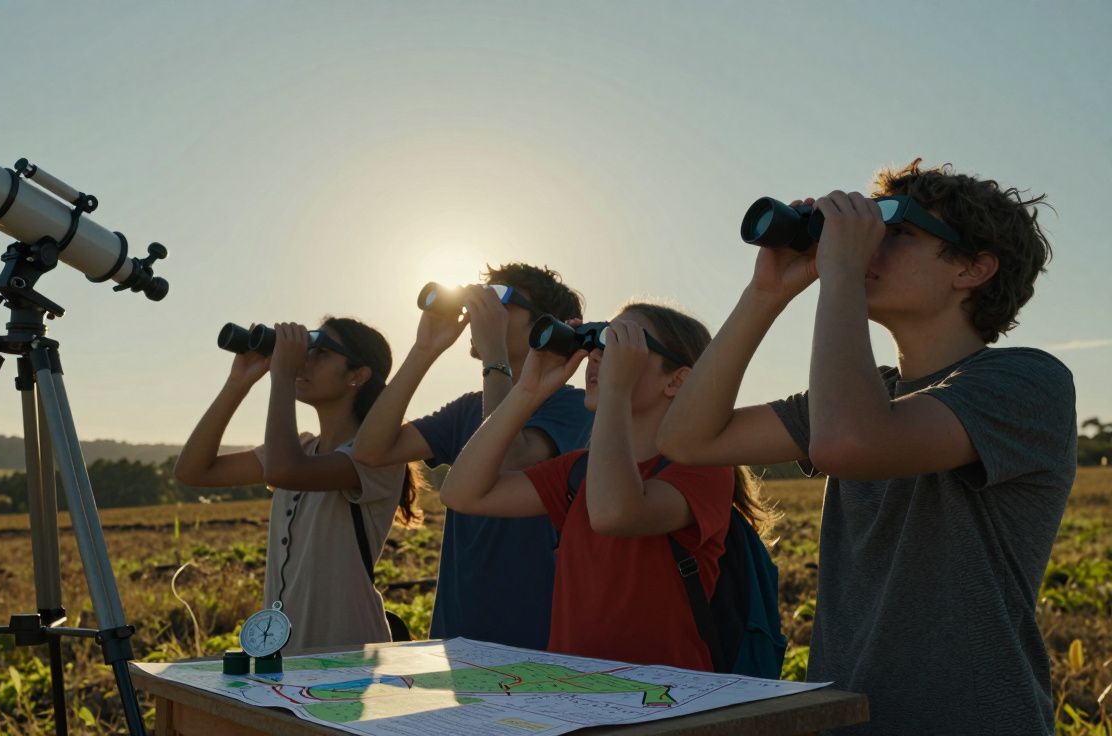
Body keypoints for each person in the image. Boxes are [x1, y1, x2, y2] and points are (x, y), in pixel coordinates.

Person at [657, 161, 1074, 734]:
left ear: (974, 268)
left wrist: (844, 276)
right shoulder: (861, 393)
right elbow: (687, 438)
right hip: (847, 715)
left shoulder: (1027, 381)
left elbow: (850, 442)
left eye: (895, 229)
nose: (869, 244)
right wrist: (766, 294)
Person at [439, 302, 773, 668]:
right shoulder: (579, 471)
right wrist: (528, 392)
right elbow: (462, 493)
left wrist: (615, 390)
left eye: (621, 345)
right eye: (598, 343)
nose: (598, 356)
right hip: (574, 690)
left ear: (676, 380)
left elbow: (614, 512)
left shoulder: (702, 470)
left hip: (665, 697)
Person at [353, 263, 592, 650]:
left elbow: (504, 460)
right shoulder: (470, 409)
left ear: (544, 326)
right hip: (458, 632)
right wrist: (424, 349)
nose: (482, 311)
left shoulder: (575, 407)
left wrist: (494, 354)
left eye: (500, 301)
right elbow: (370, 450)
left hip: (539, 637)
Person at [175, 318, 423, 653]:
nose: (304, 360)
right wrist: (238, 383)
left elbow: (284, 470)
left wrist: (281, 377)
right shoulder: (303, 448)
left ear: (357, 375)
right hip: (284, 649)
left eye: (320, 352)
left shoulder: (376, 456)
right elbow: (194, 472)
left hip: (346, 648)